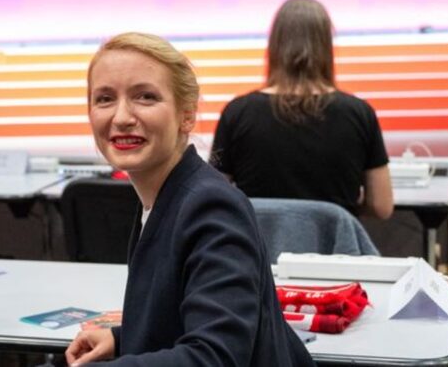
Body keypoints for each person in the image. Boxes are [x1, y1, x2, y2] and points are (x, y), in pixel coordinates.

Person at [65, 33, 313, 366]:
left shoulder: (211, 207)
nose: (121, 117)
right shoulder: (164, 198)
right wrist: (121, 338)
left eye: (145, 97)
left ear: (187, 116)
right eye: (105, 99)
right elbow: (180, 318)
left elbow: (214, 357)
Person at [211, 0, 393, 219]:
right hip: (334, 251)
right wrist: (340, 215)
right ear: (326, 47)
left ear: (275, 45)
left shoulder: (237, 113)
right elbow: (382, 206)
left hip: (257, 252)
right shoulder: (360, 113)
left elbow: (215, 199)